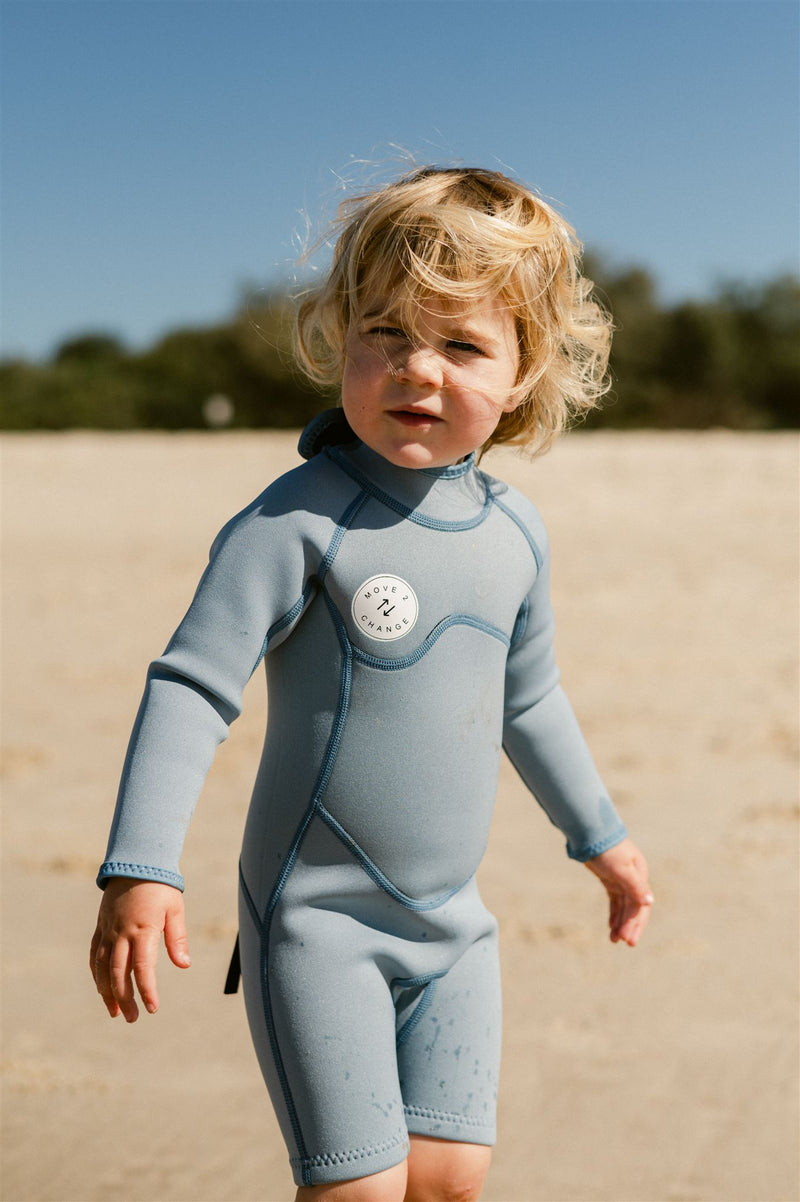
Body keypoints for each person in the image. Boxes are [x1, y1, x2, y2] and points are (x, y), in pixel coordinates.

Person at [90, 166, 653, 1202]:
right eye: (384, 331)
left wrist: (600, 837)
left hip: (453, 927)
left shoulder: (513, 533)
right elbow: (190, 684)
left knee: (448, 1178)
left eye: (461, 344)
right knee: (356, 1189)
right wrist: (141, 866)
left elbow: (527, 700)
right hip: (317, 924)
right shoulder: (295, 521)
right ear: (338, 336)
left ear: (525, 372)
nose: (414, 370)